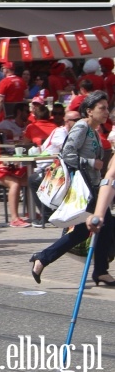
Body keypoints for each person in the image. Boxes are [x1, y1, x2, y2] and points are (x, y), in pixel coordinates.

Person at [33, 91, 112, 286]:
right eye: (102, 108)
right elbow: (66, 154)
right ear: (89, 110)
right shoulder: (82, 127)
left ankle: (100, 270)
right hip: (85, 189)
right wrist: (91, 162)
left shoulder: (94, 131)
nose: (106, 112)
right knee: (90, 230)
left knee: (99, 229)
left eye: (107, 108)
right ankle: (43, 258)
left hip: (94, 187)